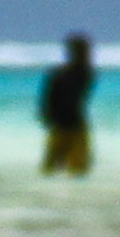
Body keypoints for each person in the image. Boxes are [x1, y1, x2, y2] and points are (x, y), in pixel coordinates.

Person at [39, 31, 95, 175]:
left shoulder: (69, 74)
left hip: (71, 124)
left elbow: (49, 98)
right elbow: (51, 98)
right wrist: (46, 114)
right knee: (57, 169)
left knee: (64, 169)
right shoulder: (79, 74)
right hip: (67, 124)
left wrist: (46, 114)